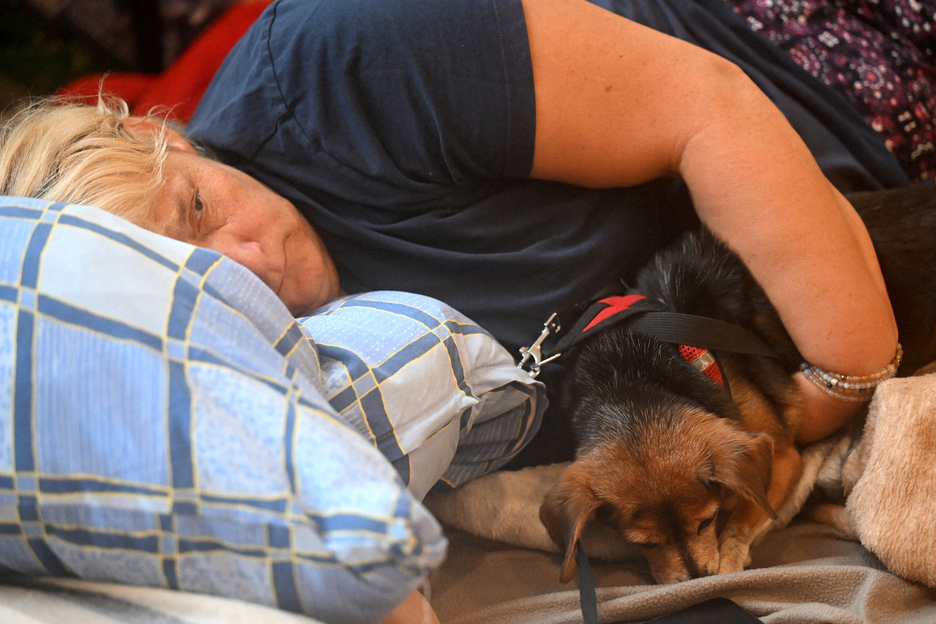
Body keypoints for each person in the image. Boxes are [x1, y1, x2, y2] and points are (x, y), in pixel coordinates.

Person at [1, 0, 925, 619]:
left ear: (162, 134)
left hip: (824, 65)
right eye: (201, 276)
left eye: (198, 208)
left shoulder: (338, 64)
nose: (252, 262)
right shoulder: (287, 377)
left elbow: (709, 106)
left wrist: (839, 379)